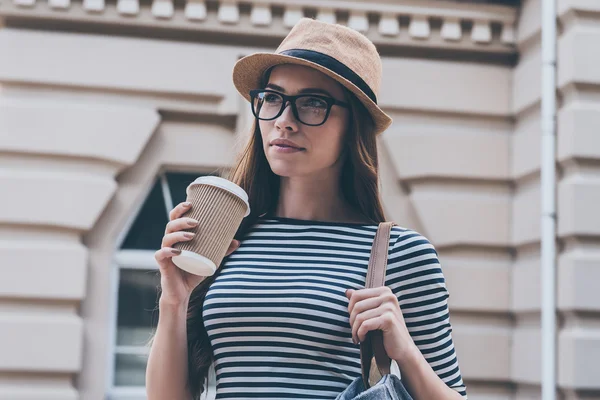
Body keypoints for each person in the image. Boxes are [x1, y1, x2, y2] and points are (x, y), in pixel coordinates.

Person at [147, 18, 468, 400]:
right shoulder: (228, 239)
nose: (284, 121)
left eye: (313, 103)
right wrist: (175, 297)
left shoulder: (402, 254)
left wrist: (405, 354)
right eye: (272, 98)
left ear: (353, 127)